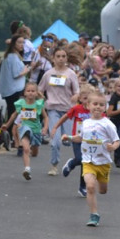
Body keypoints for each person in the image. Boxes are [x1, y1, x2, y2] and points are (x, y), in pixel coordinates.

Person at [60, 90, 120, 227]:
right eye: (95, 104)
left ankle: (102, 184)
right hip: (88, 161)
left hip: (103, 162)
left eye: (101, 104)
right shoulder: (86, 123)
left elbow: (117, 141)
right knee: (91, 186)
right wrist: (69, 137)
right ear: (88, 106)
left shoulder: (108, 124)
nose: (98, 107)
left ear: (105, 107)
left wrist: (113, 147)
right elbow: (81, 137)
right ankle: (94, 214)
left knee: (103, 190)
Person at [38, 46, 80, 175]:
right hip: (53, 110)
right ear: (53, 58)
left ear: (67, 58)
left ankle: (82, 159)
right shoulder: (48, 74)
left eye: (63, 56)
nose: (61, 59)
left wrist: (75, 96)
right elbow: (40, 89)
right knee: (55, 141)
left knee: (67, 140)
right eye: (58, 56)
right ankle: (54, 165)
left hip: (68, 111)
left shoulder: (71, 74)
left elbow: (77, 91)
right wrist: (43, 97)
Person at [1, 81, 49, 180]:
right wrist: (7, 124)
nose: (30, 93)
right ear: (25, 93)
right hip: (24, 128)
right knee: (26, 149)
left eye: (33, 91)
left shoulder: (38, 104)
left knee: (34, 151)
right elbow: (14, 115)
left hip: (36, 129)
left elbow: (45, 117)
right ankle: (27, 169)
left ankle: (35, 149)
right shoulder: (21, 103)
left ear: (36, 93)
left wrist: (45, 128)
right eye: (28, 91)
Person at [52, 84, 93, 198]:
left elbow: (103, 121)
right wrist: (56, 126)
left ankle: (82, 187)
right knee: (80, 159)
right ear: (80, 99)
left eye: (89, 99)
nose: (87, 102)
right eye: (85, 99)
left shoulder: (95, 110)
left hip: (90, 140)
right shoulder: (76, 109)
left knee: (86, 164)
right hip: (77, 138)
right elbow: (65, 117)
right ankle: (71, 163)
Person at [0, 34, 34, 151]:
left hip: (10, 89)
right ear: (14, 44)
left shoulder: (10, 56)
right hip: (14, 89)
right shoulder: (13, 57)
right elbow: (16, 74)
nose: (22, 45)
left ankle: (11, 137)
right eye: (19, 42)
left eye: (23, 43)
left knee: (12, 112)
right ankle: (14, 138)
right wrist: (27, 69)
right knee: (15, 113)